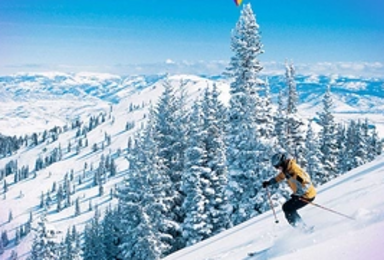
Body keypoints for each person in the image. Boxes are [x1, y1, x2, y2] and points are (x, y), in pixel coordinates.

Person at [262, 152, 316, 230]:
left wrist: (297, 194)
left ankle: (303, 228)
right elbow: (280, 177)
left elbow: (306, 184)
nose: (278, 169)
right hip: (301, 194)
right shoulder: (287, 169)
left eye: (278, 166)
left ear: (283, 162)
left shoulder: (295, 171)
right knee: (288, 208)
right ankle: (302, 227)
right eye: (276, 167)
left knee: (288, 208)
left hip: (307, 195)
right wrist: (269, 182)